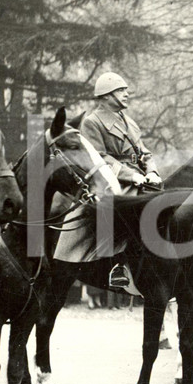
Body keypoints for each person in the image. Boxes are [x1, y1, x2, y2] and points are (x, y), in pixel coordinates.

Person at [53, 71, 162, 290]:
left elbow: (145, 153)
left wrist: (152, 172)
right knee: (123, 211)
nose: (126, 94)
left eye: (125, 90)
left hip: (141, 178)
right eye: (120, 90)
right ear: (105, 96)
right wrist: (132, 176)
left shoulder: (129, 122)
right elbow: (99, 157)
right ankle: (118, 266)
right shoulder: (92, 122)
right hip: (110, 180)